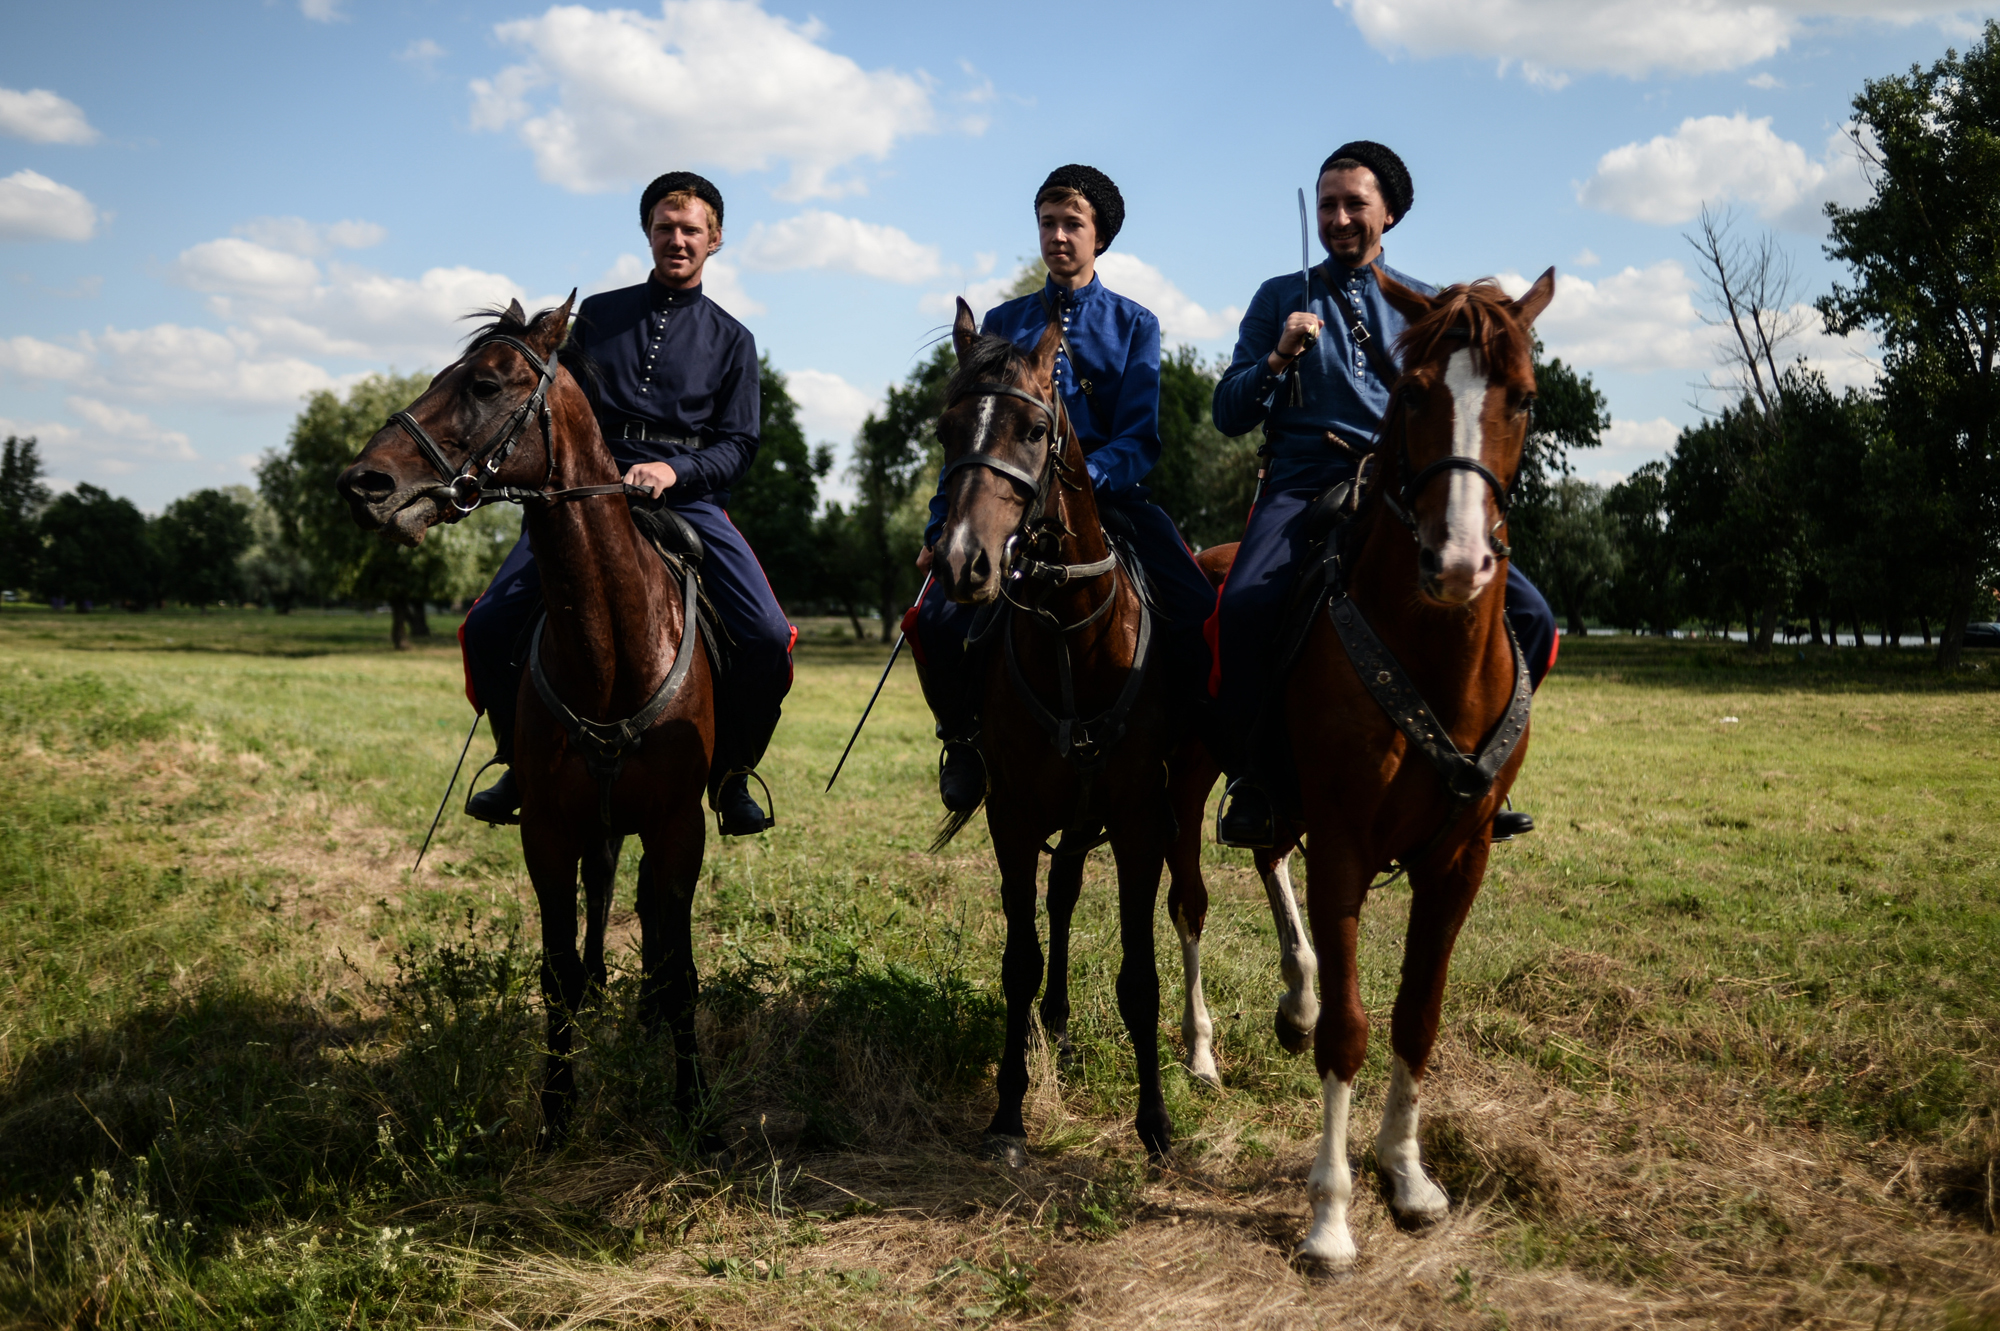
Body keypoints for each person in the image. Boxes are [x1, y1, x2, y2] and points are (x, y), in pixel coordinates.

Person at [1207, 141, 1557, 848]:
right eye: (1328, 204)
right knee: (1243, 606)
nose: (1338, 218)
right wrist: (1277, 358)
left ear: (1388, 214)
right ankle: (1254, 779)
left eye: (1354, 204)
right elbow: (1228, 411)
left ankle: (1485, 775)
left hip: (1396, 486)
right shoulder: (1280, 296)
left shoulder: (1427, 306)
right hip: (1303, 482)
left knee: (1534, 614)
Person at [459, 170, 793, 836]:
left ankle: (730, 776)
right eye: (665, 228)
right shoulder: (597, 318)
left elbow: (739, 445)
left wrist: (675, 470)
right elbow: (549, 409)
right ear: (647, 232)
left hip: (688, 501)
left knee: (765, 636)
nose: (678, 239)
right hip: (581, 495)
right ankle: (518, 764)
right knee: (488, 626)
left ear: (715, 240)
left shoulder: (735, 341)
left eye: (691, 229)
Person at [911, 165, 1219, 811]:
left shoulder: (1135, 323)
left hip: (1111, 507)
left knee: (1195, 606)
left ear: (1099, 236)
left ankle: (1189, 737)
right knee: (937, 619)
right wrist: (943, 525)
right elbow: (972, 442)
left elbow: (1140, 439)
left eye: (1072, 224)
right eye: (1048, 223)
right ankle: (964, 740)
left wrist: (1078, 481)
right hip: (1006, 507)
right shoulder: (1002, 320)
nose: (1057, 236)